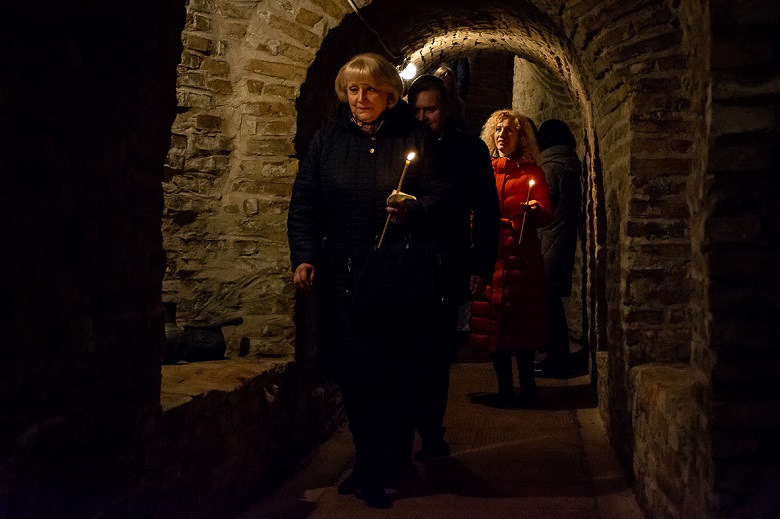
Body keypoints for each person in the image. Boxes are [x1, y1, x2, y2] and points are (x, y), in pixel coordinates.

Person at [287, 53, 447, 509]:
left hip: (394, 274)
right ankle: (368, 460)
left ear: (390, 94)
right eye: (353, 90)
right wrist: (305, 256)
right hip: (344, 274)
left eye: (371, 89)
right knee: (354, 373)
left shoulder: (413, 138)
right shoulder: (327, 141)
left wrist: (413, 208)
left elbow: (443, 198)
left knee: (390, 371)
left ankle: (381, 460)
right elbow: (305, 203)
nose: (361, 98)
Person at [407, 75, 500, 457]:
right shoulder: (402, 143)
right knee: (403, 354)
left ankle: (431, 431)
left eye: (430, 109)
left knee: (436, 353)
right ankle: (399, 436)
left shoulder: (469, 150)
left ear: (445, 108)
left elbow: (487, 210)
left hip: (446, 262)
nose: (423, 117)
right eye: (416, 110)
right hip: (403, 263)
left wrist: (481, 265)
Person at [469, 109, 554, 408]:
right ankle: (505, 388)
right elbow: (473, 208)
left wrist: (535, 210)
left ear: (520, 137)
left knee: (523, 325)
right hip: (491, 255)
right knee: (494, 325)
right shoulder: (484, 170)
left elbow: (547, 213)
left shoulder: (532, 173)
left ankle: (528, 388)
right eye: (498, 129)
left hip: (520, 258)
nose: (502, 135)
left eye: (509, 130)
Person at [535, 119, 582, 378]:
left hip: (549, 240)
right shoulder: (568, 164)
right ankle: (557, 357)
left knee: (548, 302)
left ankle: (557, 360)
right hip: (560, 239)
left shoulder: (551, 168)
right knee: (551, 300)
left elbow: (544, 204)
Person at [434, 65, 469, 132]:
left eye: (449, 83)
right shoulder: (430, 101)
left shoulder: (457, 104)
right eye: (444, 83)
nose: (446, 86)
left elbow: (463, 126)